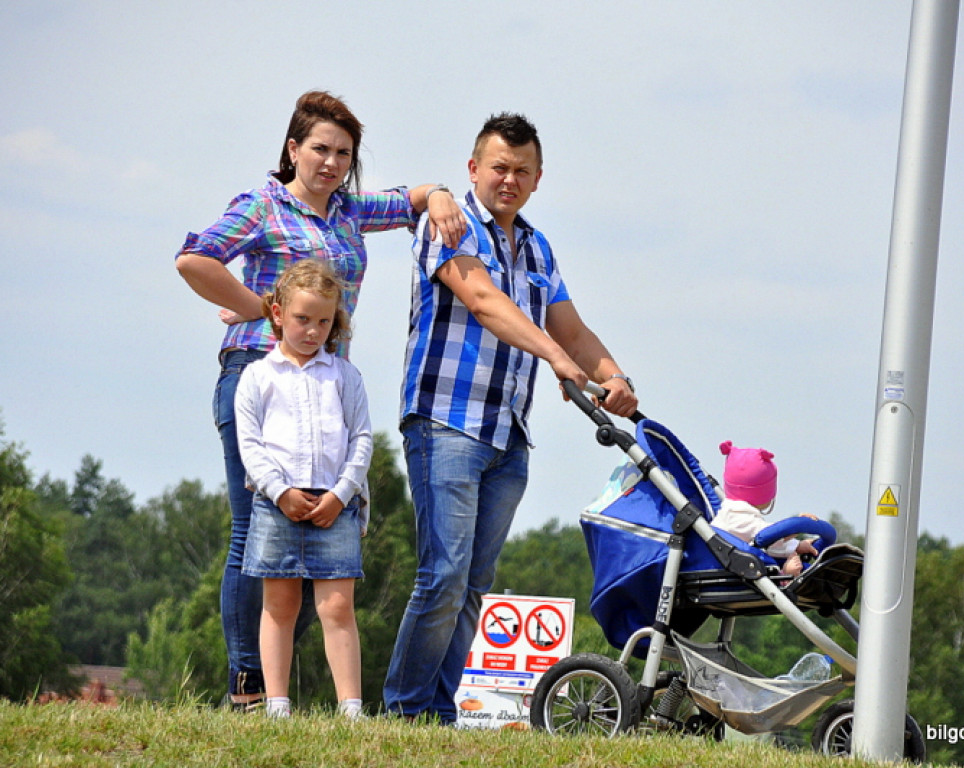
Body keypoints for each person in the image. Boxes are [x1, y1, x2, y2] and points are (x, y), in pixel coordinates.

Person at [174, 90, 466, 711]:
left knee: (319, 537)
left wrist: (440, 192)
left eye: (343, 153)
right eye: (319, 149)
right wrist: (264, 311)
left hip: (331, 387)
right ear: (292, 149)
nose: (331, 162)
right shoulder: (261, 206)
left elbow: (413, 198)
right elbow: (193, 259)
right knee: (256, 529)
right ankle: (248, 686)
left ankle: (283, 688)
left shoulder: (350, 211)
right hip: (259, 369)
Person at [383, 112, 638, 723]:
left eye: (522, 171)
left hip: (508, 434)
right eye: (499, 167)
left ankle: (438, 715)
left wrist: (613, 376)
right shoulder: (446, 222)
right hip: (446, 419)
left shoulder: (537, 246)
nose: (509, 179)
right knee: (442, 576)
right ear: (474, 168)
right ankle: (404, 711)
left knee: (472, 585)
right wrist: (554, 357)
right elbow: (481, 299)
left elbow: (569, 327)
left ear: (537, 179)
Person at [234, 259, 371, 719]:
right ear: (277, 314)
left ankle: (351, 709)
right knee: (279, 605)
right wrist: (279, 492)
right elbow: (249, 445)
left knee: (337, 607)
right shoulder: (257, 376)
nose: (313, 330)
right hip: (277, 505)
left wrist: (343, 494)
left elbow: (362, 438)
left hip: (336, 504)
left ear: (336, 322)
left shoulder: (345, 376)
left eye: (324, 321)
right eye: (302, 319)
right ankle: (276, 706)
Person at [713, 440, 818, 576]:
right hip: (737, 576)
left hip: (737, 567)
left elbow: (769, 543)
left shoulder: (732, 513)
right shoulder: (737, 516)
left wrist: (797, 545)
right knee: (796, 571)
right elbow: (768, 536)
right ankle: (785, 577)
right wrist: (797, 527)